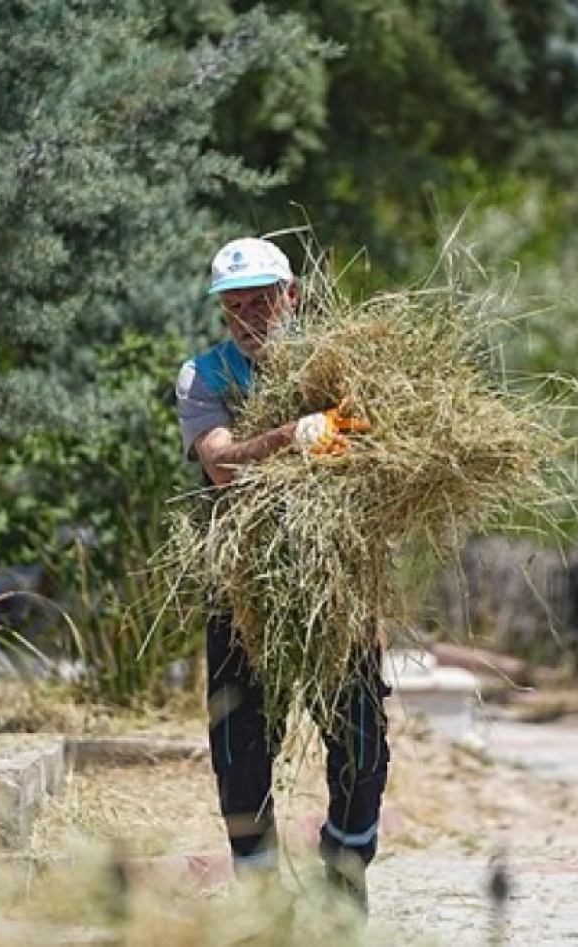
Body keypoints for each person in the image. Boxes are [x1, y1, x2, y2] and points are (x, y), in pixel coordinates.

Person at [173, 236, 391, 914]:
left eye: (261, 301)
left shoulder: (340, 361)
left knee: (360, 736)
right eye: (234, 307)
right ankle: (264, 899)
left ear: (290, 295)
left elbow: (386, 446)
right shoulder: (203, 376)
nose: (248, 318)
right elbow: (223, 465)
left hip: (338, 582)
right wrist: (294, 435)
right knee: (240, 746)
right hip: (243, 586)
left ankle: (346, 872)